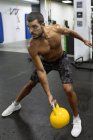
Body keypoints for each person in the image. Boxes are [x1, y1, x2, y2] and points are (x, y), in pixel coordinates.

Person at [1, 12, 92, 137]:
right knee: (30, 84)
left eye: (34, 27)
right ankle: (15, 104)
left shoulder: (56, 29)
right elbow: (41, 71)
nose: (30, 30)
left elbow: (70, 32)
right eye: (29, 27)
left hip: (61, 59)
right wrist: (49, 94)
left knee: (68, 89)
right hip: (46, 63)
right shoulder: (32, 46)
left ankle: (77, 119)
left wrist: (84, 40)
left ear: (42, 24)